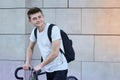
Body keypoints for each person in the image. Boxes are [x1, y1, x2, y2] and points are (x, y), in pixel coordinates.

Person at [23, 7, 68, 80]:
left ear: (43, 16)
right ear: (30, 21)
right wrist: (27, 62)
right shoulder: (34, 31)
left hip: (60, 67)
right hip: (48, 68)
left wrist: (40, 66)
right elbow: (30, 48)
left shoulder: (53, 29)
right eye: (34, 18)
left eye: (39, 17)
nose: (38, 20)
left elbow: (55, 53)